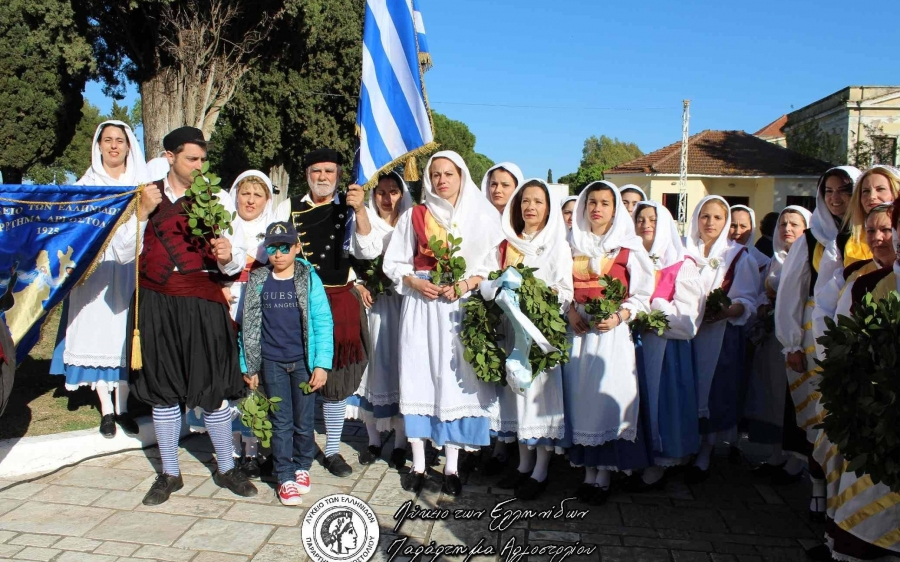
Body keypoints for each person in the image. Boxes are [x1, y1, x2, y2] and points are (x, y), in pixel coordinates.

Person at [124, 126, 257, 505]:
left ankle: (227, 467)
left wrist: (226, 253)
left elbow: (234, 263)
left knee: (213, 387)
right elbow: (119, 252)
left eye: (203, 159)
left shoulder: (215, 198)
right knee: (164, 391)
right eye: (191, 159)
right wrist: (141, 214)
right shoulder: (144, 195)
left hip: (203, 299)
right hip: (157, 301)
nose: (200, 166)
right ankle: (169, 472)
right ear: (170, 156)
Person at [382, 150, 503, 496]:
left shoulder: (478, 219)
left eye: (448, 174)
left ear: (461, 177)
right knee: (420, 376)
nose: (442, 180)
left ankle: (451, 466)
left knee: (453, 380)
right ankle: (419, 464)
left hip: (458, 309)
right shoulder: (414, 216)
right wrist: (415, 282)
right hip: (422, 306)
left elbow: (490, 267)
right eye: (435, 174)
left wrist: (465, 284)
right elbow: (394, 263)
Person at [809, 202, 899, 562]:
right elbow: (840, 335)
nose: (880, 238)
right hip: (876, 412)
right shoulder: (868, 284)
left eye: (887, 230)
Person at [51, 120, 151, 438]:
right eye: (107, 140)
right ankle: (106, 410)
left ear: (128, 145)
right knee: (98, 333)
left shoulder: (141, 183)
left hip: (130, 269)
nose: (113, 146)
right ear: (98, 145)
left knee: (124, 334)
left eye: (119, 140)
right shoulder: (87, 185)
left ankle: (123, 408)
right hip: (96, 273)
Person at [274, 149, 370, 478]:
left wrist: (361, 211)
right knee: (298, 373)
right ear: (307, 175)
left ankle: (331, 449)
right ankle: (294, 445)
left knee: (336, 379)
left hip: (339, 299)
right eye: (316, 171)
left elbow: (368, 251)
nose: (323, 177)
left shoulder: (352, 206)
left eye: (330, 171)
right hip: (299, 301)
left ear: (339, 175)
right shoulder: (289, 208)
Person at [774, 166, 860, 523]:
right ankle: (818, 492)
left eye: (844, 190)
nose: (836, 198)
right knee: (817, 418)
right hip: (813, 336)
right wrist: (791, 343)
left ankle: (847, 497)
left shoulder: (869, 234)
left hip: (856, 334)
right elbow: (790, 292)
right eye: (829, 191)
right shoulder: (811, 239)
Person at [563, 181, 654, 505]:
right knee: (580, 398)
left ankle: (603, 476)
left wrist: (620, 316)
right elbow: (560, 284)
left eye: (604, 202)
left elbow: (643, 293)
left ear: (615, 209)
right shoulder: (572, 242)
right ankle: (587, 473)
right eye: (592, 202)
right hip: (579, 333)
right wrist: (571, 310)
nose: (597, 208)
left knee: (604, 399)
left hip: (611, 334)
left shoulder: (628, 247)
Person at [489, 178, 572, 500]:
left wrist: (537, 298)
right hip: (511, 331)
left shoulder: (557, 245)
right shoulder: (506, 243)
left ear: (548, 207)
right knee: (516, 396)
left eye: (537, 201)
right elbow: (490, 278)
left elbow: (565, 290)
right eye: (525, 201)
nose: (531, 207)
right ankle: (523, 465)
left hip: (541, 334)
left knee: (541, 399)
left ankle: (541, 470)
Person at [241, 221, 334, 506]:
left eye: (284, 247)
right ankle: (284, 475)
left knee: (304, 422)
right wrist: (249, 365)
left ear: (296, 248)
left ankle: (303, 465)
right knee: (281, 422)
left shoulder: (308, 278)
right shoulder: (258, 280)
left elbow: (322, 320)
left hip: (303, 364)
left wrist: (322, 364)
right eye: (272, 247)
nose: (278, 254)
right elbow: (249, 325)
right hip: (272, 363)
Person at [622, 201, 704, 491]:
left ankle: (662, 460)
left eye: (652, 219)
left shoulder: (682, 264)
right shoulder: (629, 259)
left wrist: (653, 307)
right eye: (640, 219)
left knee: (663, 402)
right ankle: (634, 457)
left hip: (667, 349)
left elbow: (688, 320)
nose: (646, 224)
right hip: (633, 347)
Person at [683, 196, 758, 483]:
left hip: (718, 336)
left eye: (716, 217)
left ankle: (706, 450)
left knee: (713, 394)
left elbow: (747, 300)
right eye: (705, 216)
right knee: (686, 389)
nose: (710, 222)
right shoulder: (682, 250)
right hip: (685, 334)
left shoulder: (738, 256)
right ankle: (684, 445)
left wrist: (726, 310)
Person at [345, 171, 414, 469]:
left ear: (402, 193)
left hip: (404, 304)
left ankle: (400, 442)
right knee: (371, 368)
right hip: (372, 305)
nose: (387, 198)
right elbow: (348, 257)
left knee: (401, 367)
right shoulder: (361, 221)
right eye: (381, 191)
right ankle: (372, 440)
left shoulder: (413, 223)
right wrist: (356, 284)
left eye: (393, 191)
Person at [744, 206, 812, 485]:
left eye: (795, 224)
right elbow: (763, 292)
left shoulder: (810, 260)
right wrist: (763, 307)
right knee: (772, 394)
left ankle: (797, 460)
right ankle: (776, 454)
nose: (787, 229)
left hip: (798, 338)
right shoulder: (776, 260)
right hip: (773, 339)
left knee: (794, 396)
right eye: (783, 223)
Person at [812, 165, 899, 356]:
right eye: (865, 191)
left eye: (886, 230)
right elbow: (825, 308)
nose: (871, 197)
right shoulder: (854, 274)